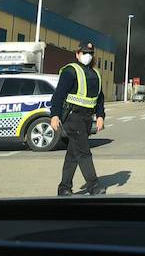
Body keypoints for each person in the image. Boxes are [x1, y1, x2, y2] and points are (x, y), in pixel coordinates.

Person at [51, 40, 106, 195]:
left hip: (87, 118)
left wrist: (101, 116)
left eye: (90, 53)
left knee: (73, 154)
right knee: (84, 151)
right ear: (77, 54)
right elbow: (58, 95)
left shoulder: (96, 74)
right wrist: (54, 115)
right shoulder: (70, 71)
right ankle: (93, 186)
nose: (87, 56)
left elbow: (99, 98)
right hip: (73, 117)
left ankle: (64, 188)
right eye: (84, 53)